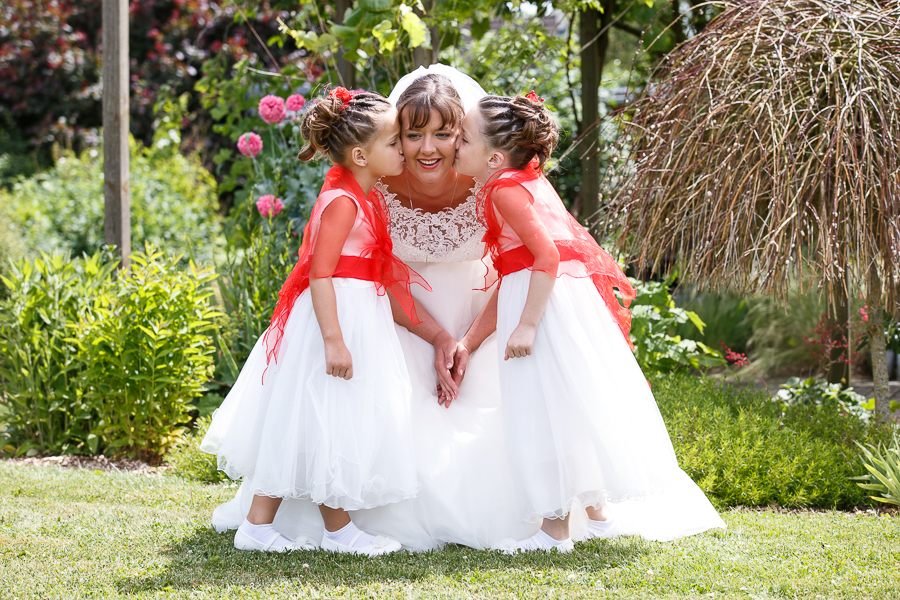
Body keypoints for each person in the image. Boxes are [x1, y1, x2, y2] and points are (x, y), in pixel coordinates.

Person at [453, 92, 726, 553]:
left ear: (494, 156)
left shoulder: (502, 189)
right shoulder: (526, 181)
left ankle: (554, 530)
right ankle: (598, 516)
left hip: (542, 311)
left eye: (462, 137)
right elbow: (521, 268)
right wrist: (478, 336)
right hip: (556, 303)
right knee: (567, 406)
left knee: (541, 410)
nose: (453, 144)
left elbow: (547, 255)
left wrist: (526, 325)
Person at [200, 87, 428, 556]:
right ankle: (334, 531)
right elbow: (320, 272)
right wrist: (334, 340)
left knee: (317, 423)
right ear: (362, 154)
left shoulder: (359, 194)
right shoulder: (343, 200)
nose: (403, 149)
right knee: (323, 420)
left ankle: (264, 524)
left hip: (354, 312)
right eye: (394, 142)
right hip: (336, 318)